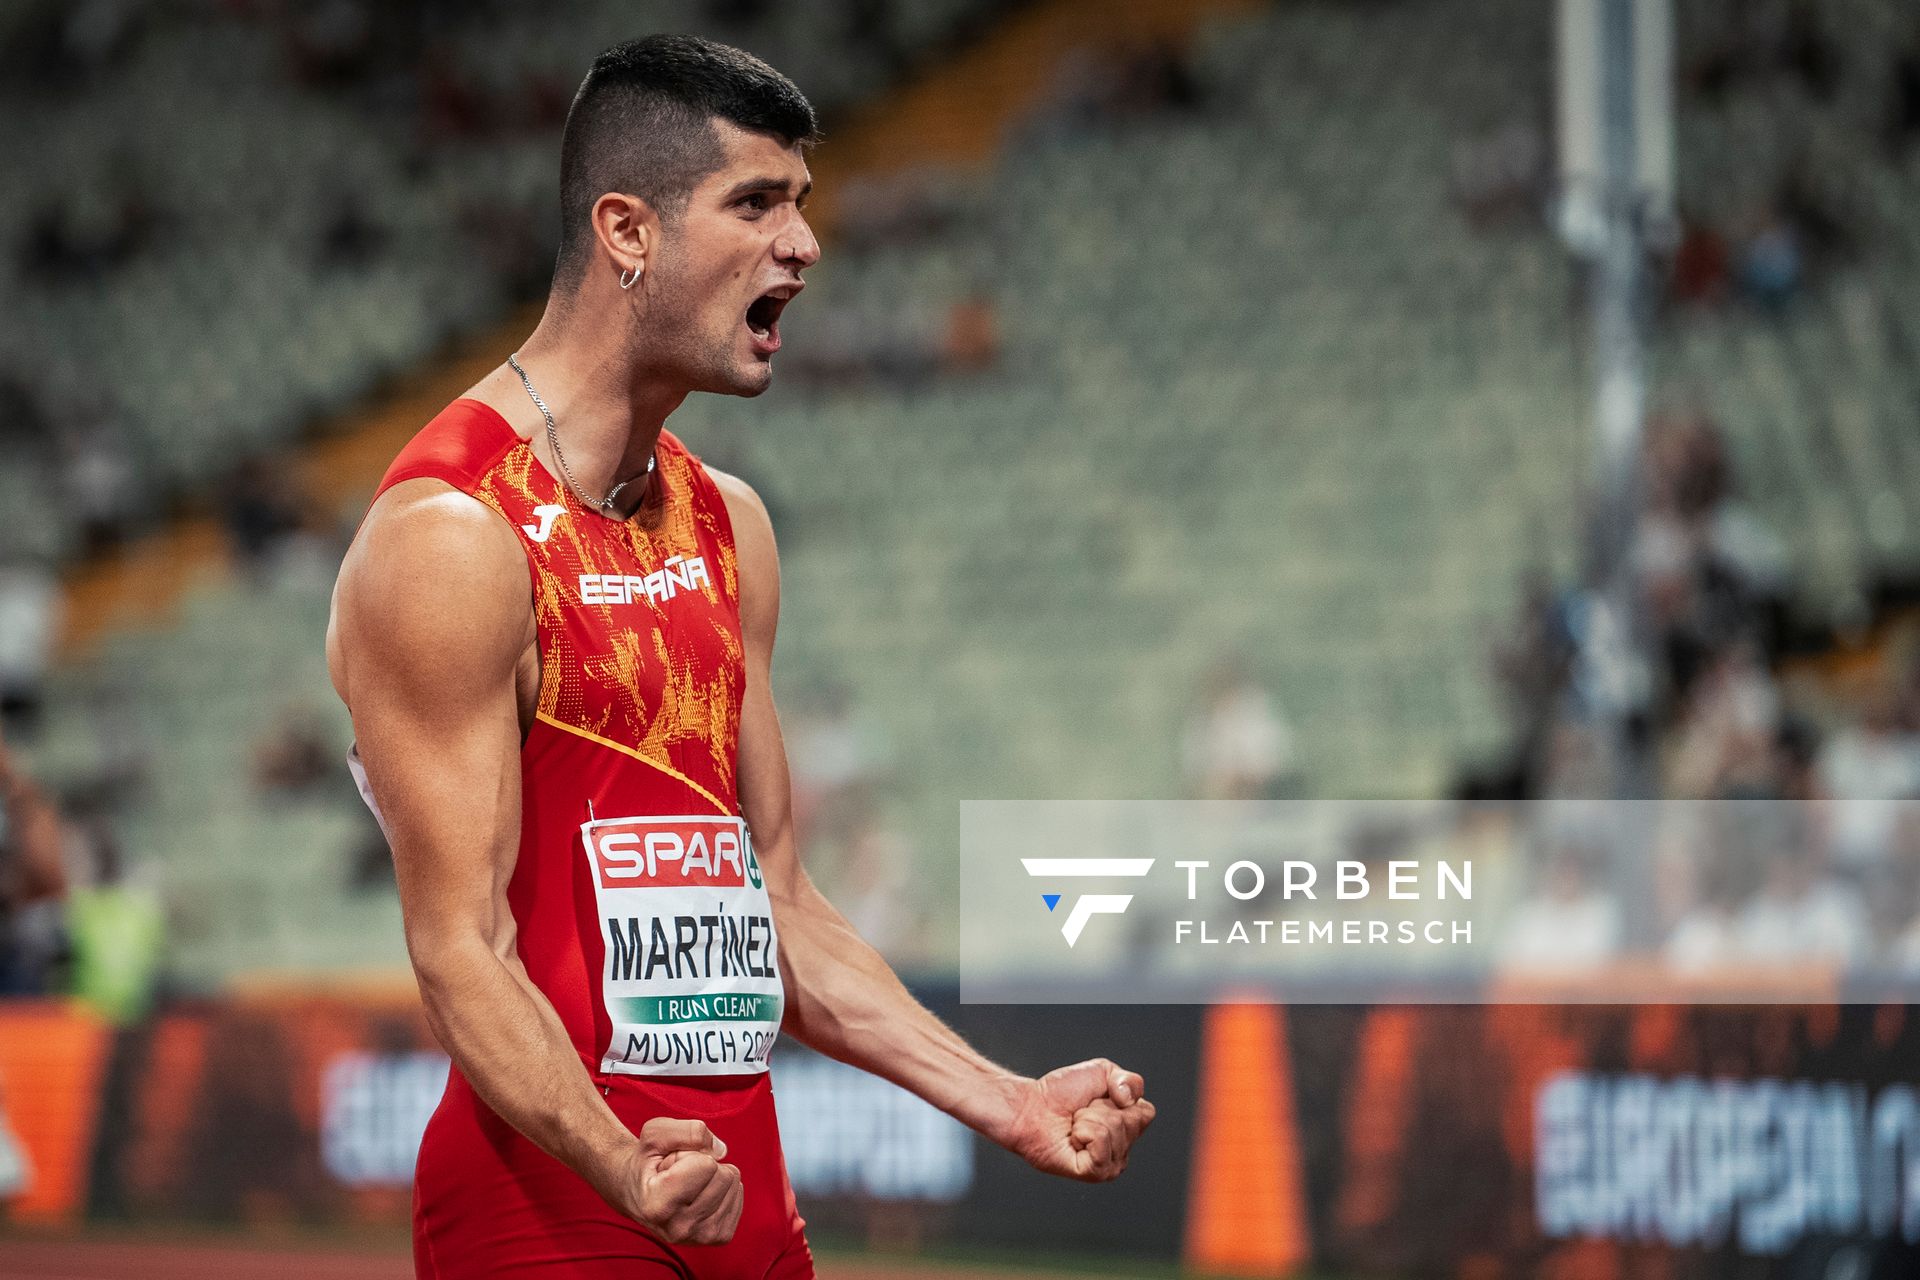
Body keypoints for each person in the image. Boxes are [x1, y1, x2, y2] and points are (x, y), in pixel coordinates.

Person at [326, 36, 1153, 1279]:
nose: (805, 244)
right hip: (554, 1205)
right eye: (756, 202)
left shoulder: (731, 528)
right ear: (627, 231)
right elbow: (461, 949)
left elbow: (781, 908)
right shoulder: (452, 537)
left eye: (802, 205)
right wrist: (620, 1160)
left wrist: (1008, 1098)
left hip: (741, 1196)